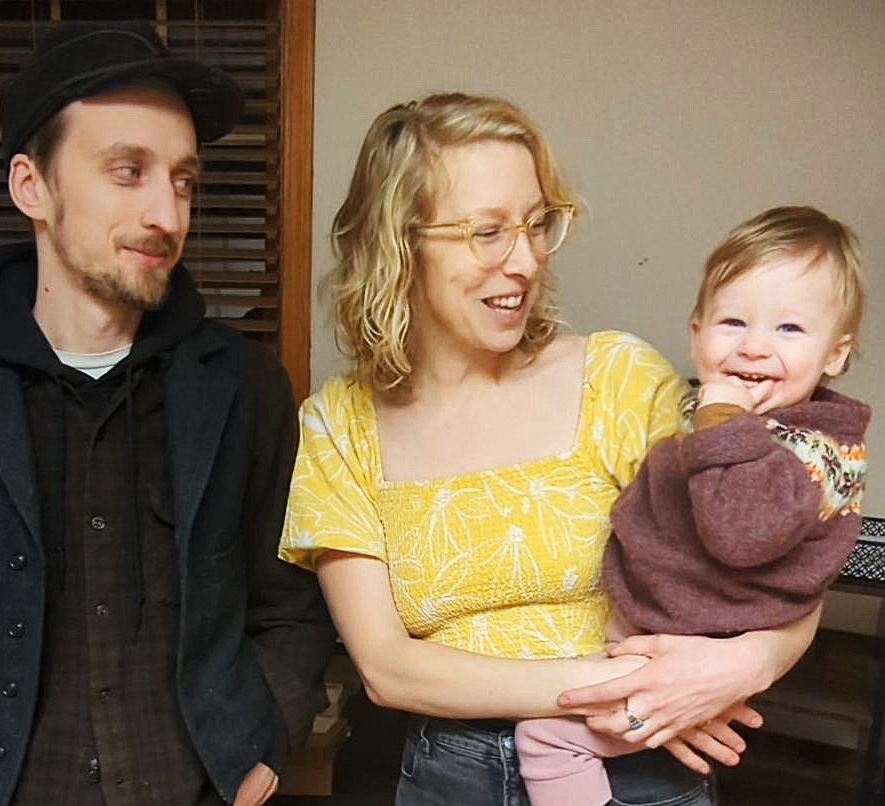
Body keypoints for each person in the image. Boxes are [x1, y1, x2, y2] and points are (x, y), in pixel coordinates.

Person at [0, 20, 335, 806]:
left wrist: (264, 745)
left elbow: (291, 606)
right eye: (127, 171)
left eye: (183, 180)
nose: (166, 214)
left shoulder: (243, 388)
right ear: (31, 186)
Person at [278, 92, 824, 806]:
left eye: (538, 225)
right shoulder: (338, 424)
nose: (526, 260)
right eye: (488, 232)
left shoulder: (617, 379)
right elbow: (388, 668)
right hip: (452, 776)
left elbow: (780, 553)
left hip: (642, 766)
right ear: (399, 241)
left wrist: (742, 665)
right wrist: (626, 686)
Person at [513, 205, 870, 806]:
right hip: (650, 620)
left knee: (550, 740)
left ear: (835, 355)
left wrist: (721, 418)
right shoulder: (700, 409)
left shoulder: (815, 451)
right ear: (696, 334)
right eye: (733, 322)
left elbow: (738, 531)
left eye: (789, 330)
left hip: (697, 641)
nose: (755, 348)